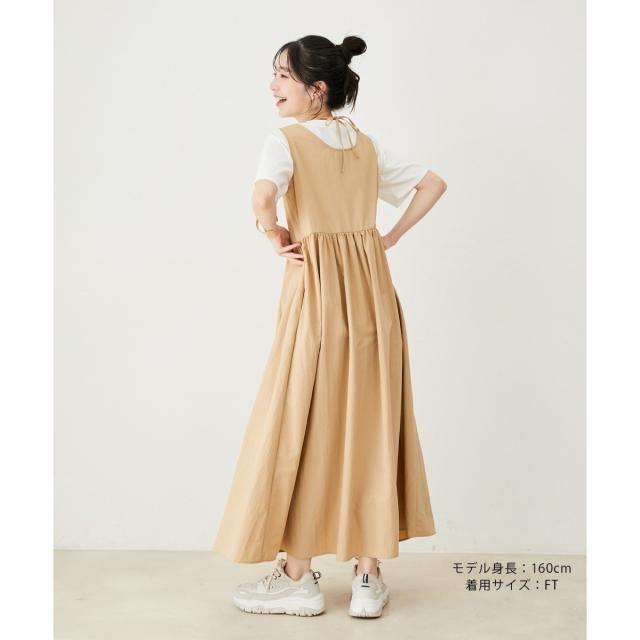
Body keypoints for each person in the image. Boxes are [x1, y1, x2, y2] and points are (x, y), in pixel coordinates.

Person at [212, 34, 447, 618]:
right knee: (371, 419)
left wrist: (272, 233)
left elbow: (263, 195)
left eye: (283, 76)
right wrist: (388, 237)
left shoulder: (285, 140)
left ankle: (299, 576)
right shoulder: (364, 145)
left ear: (317, 90)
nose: (272, 86)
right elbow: (432, 184)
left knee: (303, 419)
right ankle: (368, 577)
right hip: (373, 298)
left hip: (317, 296)